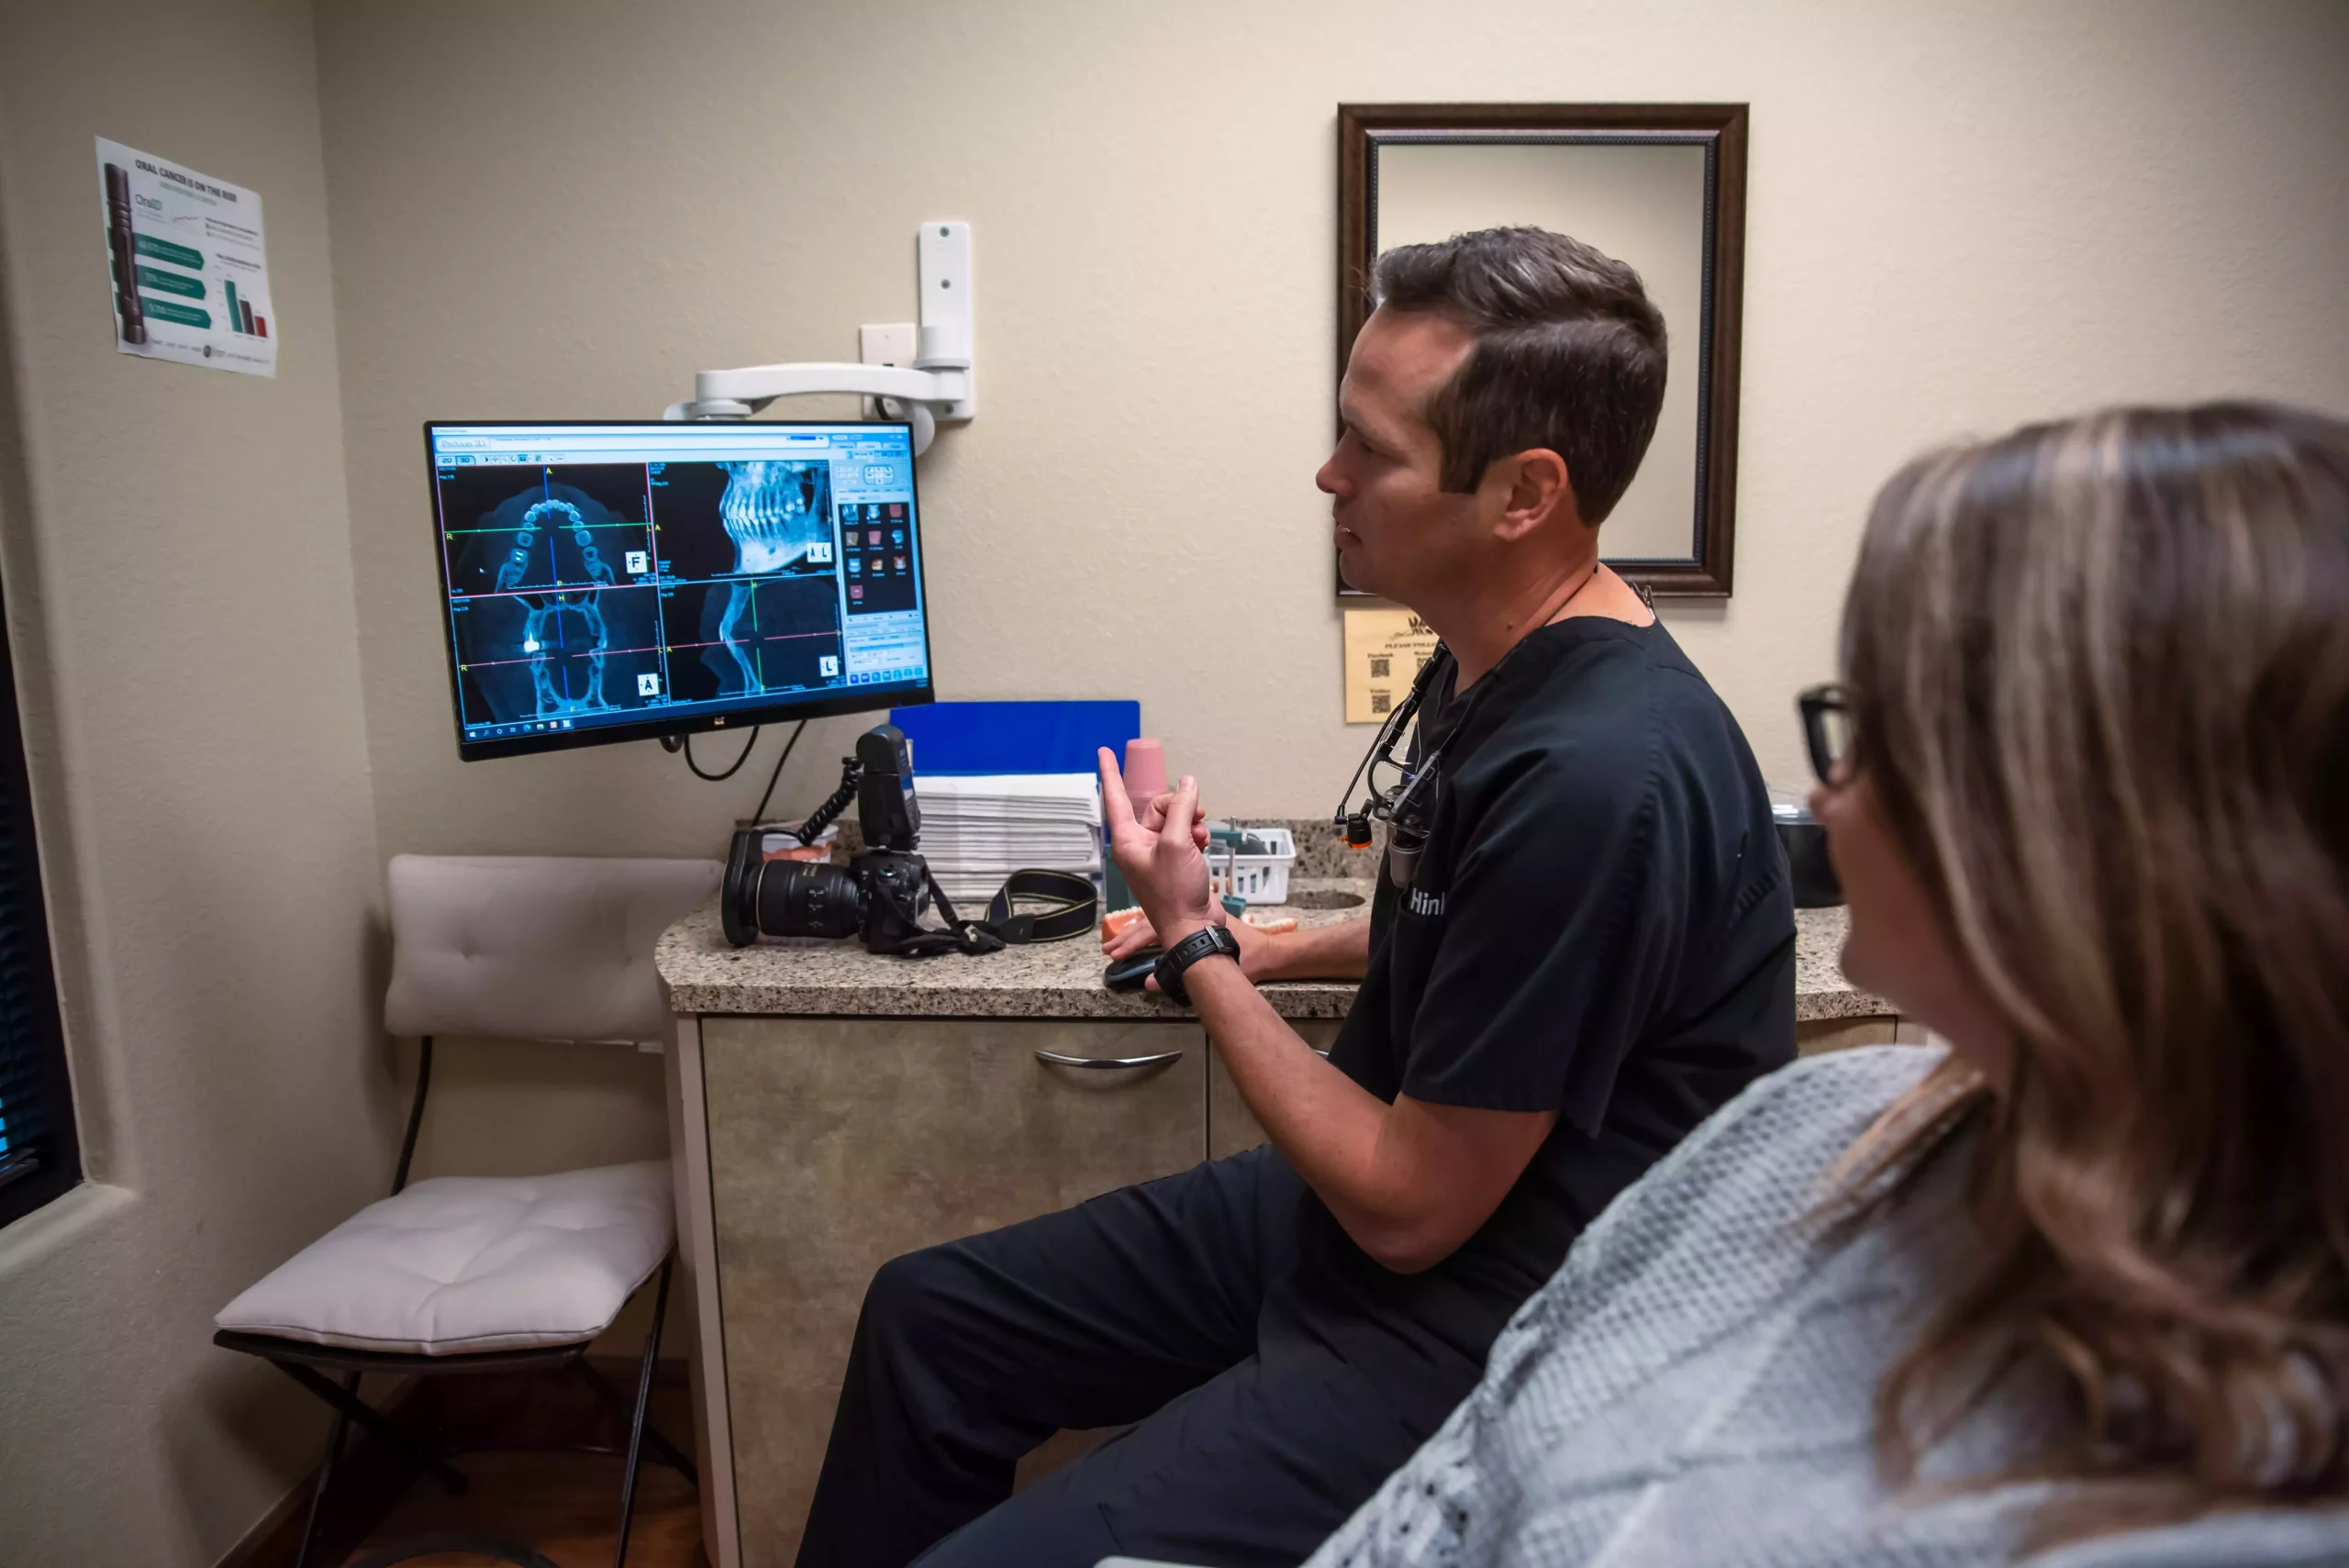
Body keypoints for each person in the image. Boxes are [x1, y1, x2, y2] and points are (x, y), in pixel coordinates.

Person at [794, 228, 1796, 1568]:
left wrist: (1197, 942)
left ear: (1524, 492)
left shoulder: (1603, 775)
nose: (1329, 476)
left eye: (1371, 450)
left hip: (1490, 1313)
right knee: (932, 1320)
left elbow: (1409, 1200)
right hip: (1398, 1226)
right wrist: (1276, 941)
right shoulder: (1502, 667)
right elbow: (1479, 932)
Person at [1308, 402, 2349, 1567]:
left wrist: (1203, 953)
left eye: (1878, 728)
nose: (1831, 790)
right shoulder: (1816, 1129)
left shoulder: (2220, 1515)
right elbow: (1478, 1453)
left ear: (2096, 829)